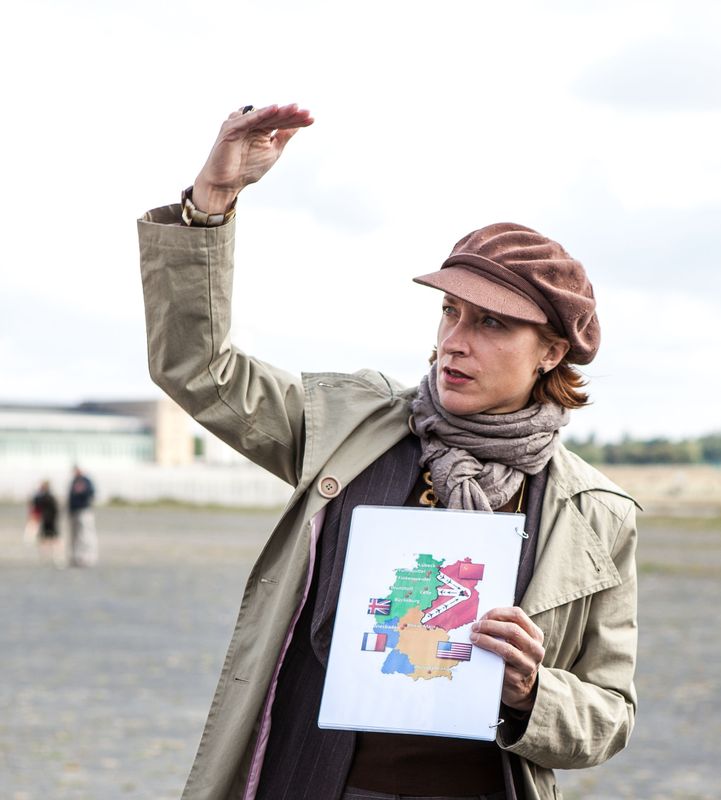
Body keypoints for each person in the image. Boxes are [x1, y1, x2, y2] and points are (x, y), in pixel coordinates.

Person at [138, 104, 638, 800]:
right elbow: (197, 370)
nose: (454, 340)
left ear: (551, 350)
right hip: (309, 780)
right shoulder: (354, 424)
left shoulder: (594, 513)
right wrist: (212, 204)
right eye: (450, 312)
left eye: (491, 322)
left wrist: (529, 691)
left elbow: (608, 714)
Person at [67, 466, 98, 567]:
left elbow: (91, 493)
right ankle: (76, 557)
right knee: (75, 536)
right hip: (74, 511)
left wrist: (82, 492)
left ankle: (89, 558)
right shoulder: (73, 481)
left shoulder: (86, 481)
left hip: (84, 511)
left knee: (86, 535)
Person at [29, 480, 62, 564]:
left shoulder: (47, 497)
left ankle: (53, 556)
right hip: (47, 520)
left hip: (49, 520)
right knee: (46, 538)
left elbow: (55, 510)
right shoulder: (45, 497)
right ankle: (47, 556)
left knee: (52, 538)